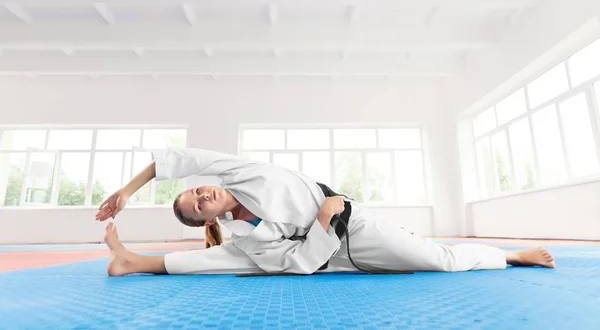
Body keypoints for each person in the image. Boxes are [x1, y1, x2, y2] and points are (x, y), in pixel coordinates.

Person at [95, 147, 556, 276]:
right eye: (197, 207)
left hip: (355, 227)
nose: (200, 195)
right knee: (239, 261)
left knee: (438, 260)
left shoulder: (237, 172)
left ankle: (510, 256)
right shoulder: (245, 236)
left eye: (196, 191)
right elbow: (299, 264)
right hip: (328, 254)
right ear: (209, 220)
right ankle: (135, 262)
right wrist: (318, 224)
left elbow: (178, 159)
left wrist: (127, 189)